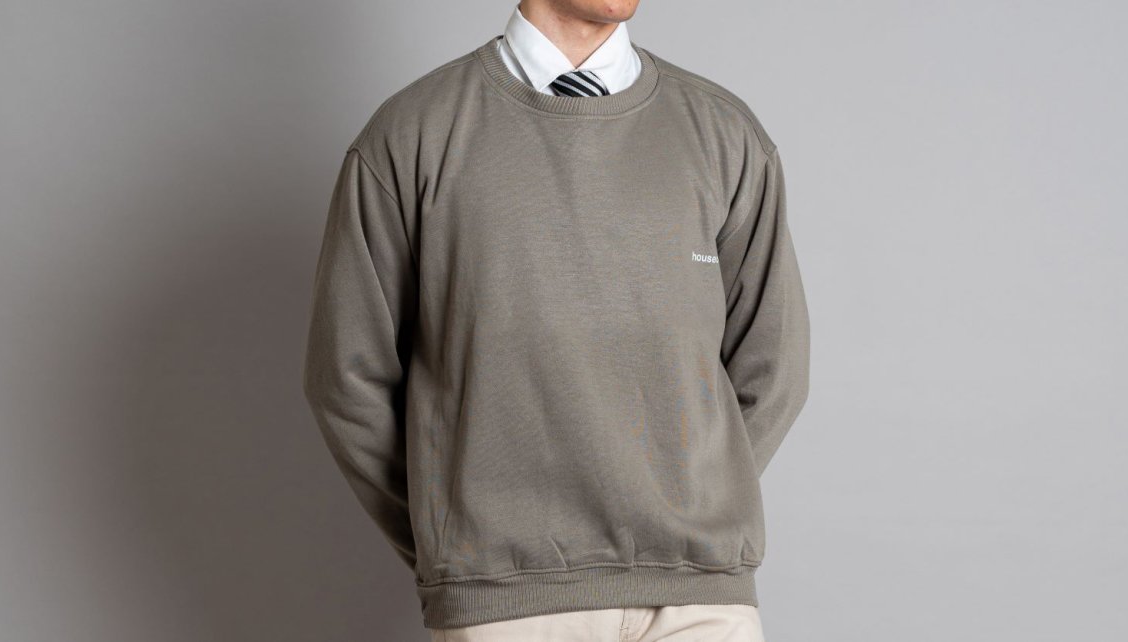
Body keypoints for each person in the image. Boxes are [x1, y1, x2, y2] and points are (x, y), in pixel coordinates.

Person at [301, 1, 809, 639]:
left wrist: (693, 503)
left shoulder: (724, 133)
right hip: (505, 605)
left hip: (702, 601)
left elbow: (773, 366)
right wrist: (456, 545)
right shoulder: (412, 133)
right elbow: (346, 379)